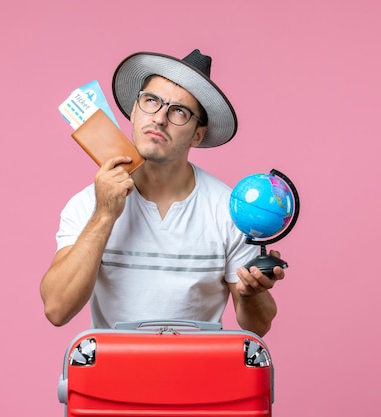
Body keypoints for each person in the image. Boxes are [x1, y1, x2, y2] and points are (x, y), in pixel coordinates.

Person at [40, 49, 285, 337]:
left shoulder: (229, 210)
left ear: (197, 134)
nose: (159, 119)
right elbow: (56, 309)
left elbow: (258, 325)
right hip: (111, 376)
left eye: (179, 111)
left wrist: (251, 292)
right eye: (151, 101)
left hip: (198, 375)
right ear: (133, 110)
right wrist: (105, 215)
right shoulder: (88, 204)